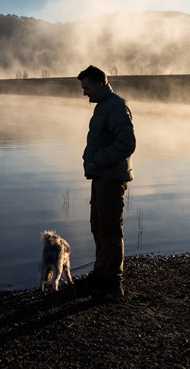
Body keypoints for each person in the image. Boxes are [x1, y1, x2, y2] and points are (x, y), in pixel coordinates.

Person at [77, 65, 136, 300]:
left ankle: (113, 284)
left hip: (111, 179)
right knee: (98, 226)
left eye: (87, 87)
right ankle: (101, 273)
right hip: (101, 176)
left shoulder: (117, 107)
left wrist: (97, 161)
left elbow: (127, 144)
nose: (84, 92)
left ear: (100, 84)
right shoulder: (104, 106)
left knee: (110, 229)